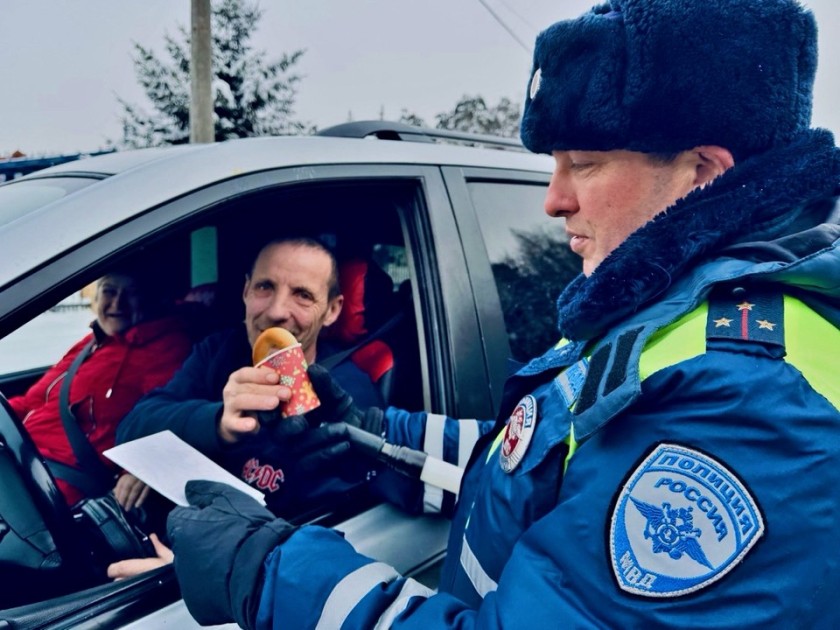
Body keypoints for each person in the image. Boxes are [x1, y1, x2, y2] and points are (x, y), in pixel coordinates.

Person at [165, 0, 840, 627]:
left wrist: (268, 571)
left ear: (704, 174)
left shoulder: (748, 401)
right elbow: (540, 464)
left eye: (584, 163)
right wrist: (365, 430)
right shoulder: (667, 307)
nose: (553, 200)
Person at [115, 237, 385, 515]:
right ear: (246, 291)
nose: (276, 311)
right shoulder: (218, 351)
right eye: (264, 287)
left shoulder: (347, 398)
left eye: (303, 295)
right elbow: (132, 427)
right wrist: (218, 423)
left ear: (332, 310)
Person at [7, 266, 192, 508]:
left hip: (57, 484)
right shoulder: (92, 342)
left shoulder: (164, 348)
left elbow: (169, 414)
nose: (117, 303)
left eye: (132, 293)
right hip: (18, 460)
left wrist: (141, 468)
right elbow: (33, 402)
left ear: (150, 299)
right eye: (109, 291)